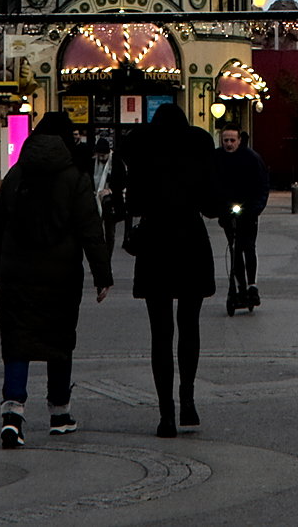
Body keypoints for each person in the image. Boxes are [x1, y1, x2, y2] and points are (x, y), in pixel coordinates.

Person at [0, 109, 111, 449]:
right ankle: (60, 413)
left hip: (17, 274)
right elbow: (90, 229)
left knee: (16, 341)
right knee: (59, 340)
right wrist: (103, 274)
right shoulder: (75, 177)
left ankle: (12, 414)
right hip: (61, 274)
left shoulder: (17, 174)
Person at [115, 102, 220, 437]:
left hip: (155, 243)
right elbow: (211, 205)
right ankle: (187, 400)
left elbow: (132, 203)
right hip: (190, 241)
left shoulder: (143, 152)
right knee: (189, 326)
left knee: (160, 334)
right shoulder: (198, 149)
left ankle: (166, 415)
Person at [212, 125, 272, 306]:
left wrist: (256, 208)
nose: (229, 144)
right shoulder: (217, 159)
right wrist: (219, 209)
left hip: (249, 210)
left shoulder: (251, 159)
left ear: (239, 140)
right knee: (234, 249)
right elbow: (212, 184)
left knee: (248, 246)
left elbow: (262, 185)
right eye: (226, 140)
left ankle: (252, 285)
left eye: (232, 140)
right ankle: (240, 286)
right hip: (228, 212)